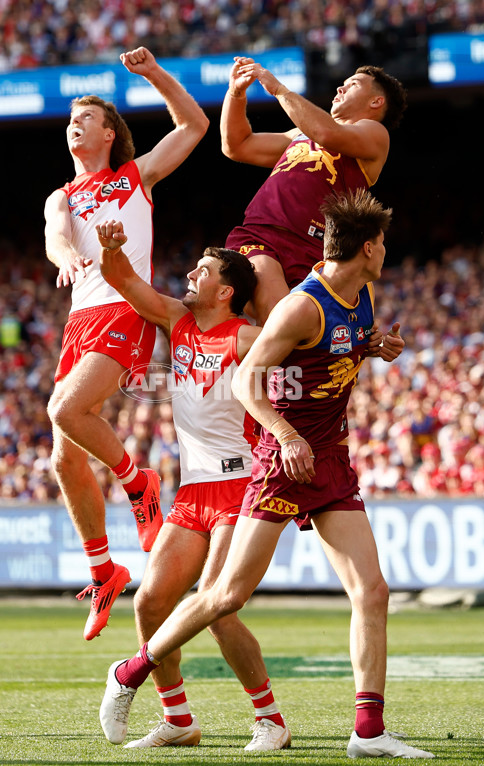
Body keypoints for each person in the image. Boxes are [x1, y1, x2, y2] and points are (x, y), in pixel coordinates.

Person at [99, 189, 435, 759]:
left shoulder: (362, 296)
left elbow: (333, 350)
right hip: (283, 461)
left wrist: (374, 345)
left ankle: (368, 733)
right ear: (369, 247)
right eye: (383, 243)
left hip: (328, 458)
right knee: (226, 595)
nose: (386, 252)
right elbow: (245, 380)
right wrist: (284, 435)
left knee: (372, 591)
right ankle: (131, 671)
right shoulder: (300, 306)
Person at [95, 218, 290, 751]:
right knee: (150, 604)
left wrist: (362, 342)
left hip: (241, 487)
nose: (190, 274)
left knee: (219, 606)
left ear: (225, 291)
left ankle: (270, 720)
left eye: (202, 271)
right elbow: (124, 283)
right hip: (193, 492)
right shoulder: (177, 319)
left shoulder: (247, 336)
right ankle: (178, 720)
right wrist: (112, 248)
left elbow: (304, 346)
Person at [44, 47, 209, 642]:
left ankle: (139, 481)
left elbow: (194, 126)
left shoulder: (134, 178)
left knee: (65, 409)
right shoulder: (61, 194)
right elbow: (56, 236)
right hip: (80, 316)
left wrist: (156, 75)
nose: (74, 125)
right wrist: (65, 258)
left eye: (85, 118)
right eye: (69, 120)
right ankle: (103, 570)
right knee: (62, 457)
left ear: (110, 132)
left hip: (126, 306)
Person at [221, 57, 407, 324]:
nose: (340, 89)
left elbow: (326, 133)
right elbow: (236, 145)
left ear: (376, 102)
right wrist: (236, 93)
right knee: (278, 317)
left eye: (352, 85)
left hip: (312, 247)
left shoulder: (375, 133)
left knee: (302, 336)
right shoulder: (300, 133)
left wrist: (279, 89)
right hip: (263, 233)